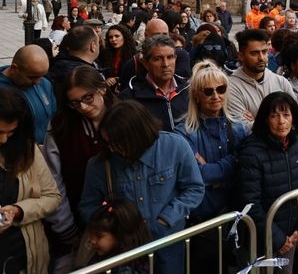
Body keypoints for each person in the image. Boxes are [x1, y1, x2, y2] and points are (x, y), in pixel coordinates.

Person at [79, 100, 204, 274]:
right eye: (109, 143)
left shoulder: (175, 146)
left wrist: (166, 219)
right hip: (124, 256)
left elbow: (194, 188)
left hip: (168, 244)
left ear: (138, 136)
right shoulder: (100, 165)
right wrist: (114, 224)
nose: (113, 149)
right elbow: (87, 207)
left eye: (119, 143)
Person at [176, 61, 247, 269]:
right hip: (201, 222)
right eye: (208, 91)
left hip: (234, 217)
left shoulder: (238, 127)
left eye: (221, 89)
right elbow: (198, 175)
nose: (216, 95)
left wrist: (217, 177)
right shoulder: (183, 132)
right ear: (197, 96)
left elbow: (245, 169)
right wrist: (231, 163)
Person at [43, 66, 114, 273]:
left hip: (123, 224)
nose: (82, 106)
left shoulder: (124, 115)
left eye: (88, 98)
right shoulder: (60, 126)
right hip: (76, 221)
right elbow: (53, 181)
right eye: (75, 103)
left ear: (102, 89)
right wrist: (66, 228)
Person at [239, 91, 298, 271]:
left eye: (286, 115)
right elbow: (251, 203)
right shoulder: (252, 151)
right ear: (265, 120)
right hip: (261, 239)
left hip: (291, 236)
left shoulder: (296, 144)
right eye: (274, 116)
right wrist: (278, 239)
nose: (281, 121)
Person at [0, 87, 61, 274]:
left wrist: (18, 211)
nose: (3, 140)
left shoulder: (27, 150)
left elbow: (52, 197)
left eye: (10, 133)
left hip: (27, 257)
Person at [118, 35, 190, 132]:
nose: (165, 64)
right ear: (145, 63)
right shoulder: (129, 99)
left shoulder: (189, 91)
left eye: (170, 57)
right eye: (158, 59)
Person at [227, 29, 293, 131]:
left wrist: (257, 121)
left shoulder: (281, 82)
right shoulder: (231, 88)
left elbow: (295, 118)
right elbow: (243, 128)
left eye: (264, 52)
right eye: (254, 53)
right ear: (241, 56)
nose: (261, 58)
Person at [0, 45, 57, 145]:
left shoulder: (45, 83)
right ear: (14, 69)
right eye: (32, 77)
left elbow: (54, 116)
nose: (38, 82)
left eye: (41, 76)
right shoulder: (3, 90)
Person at [84, 198, 151, 274]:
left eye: (98, 236)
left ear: (119, 236)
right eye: (91, 234)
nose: (92, 240)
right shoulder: (104, 254)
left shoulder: (125, 269)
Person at [99, 24, 137, 95]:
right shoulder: (104, 54)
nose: (113, 39)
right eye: (110, 37)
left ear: (124, 37)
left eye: (117, 36)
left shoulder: (133, 56)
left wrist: (117, 79)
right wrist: (106, 80)